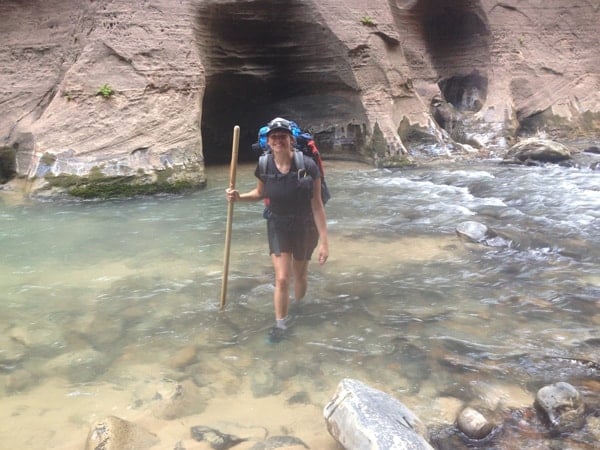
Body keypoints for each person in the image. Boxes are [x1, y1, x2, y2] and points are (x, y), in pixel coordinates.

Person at [226, 117, 329, 342]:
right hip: (278, 224)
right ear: (269, 142)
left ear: (291, 140)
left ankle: (299, 308)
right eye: (274, 137)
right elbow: (260, 193)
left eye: (283, 136)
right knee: (282, 278)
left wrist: (324, 241)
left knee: (300, 274)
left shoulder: (307, 166)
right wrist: (238, 197)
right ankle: (281, 325)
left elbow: (317, 205)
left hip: (305, 226)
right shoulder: (264, 165)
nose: (278, 140)